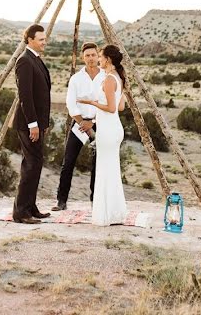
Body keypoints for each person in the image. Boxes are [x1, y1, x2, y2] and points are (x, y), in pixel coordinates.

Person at [78, 44, 128, 226]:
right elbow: (121, 107)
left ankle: (106, 214)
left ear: (108, 59)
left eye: (100, 56)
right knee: (111, 170)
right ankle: (114, 212)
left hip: (108, 130)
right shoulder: (118, 77)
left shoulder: (109, 79)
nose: (98, 59)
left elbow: (112, 107)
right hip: (114, 127)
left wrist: (92, 102)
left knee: (105, 170)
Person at [53, 42, 105, 211]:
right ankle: (61, 201)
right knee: (68, 161)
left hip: (99, 123)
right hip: (79, 124)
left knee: (98, 164)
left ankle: (94, 200)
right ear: (83, 58)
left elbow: (107, 103)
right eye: (87, 55)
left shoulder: (105, 77)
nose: (91, 58)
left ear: (98, 56)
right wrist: (83, 122)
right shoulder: (76, 78)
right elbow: (70, 103)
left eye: (93, 55)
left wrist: (93, 122)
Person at [11, 24, 52, 224]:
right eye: (41, 39)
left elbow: (42, 94)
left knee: (35, 164)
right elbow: (25, 96)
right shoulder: (25, 61)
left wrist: (43, 122)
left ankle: (30, 206)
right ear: (30, 40)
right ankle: (21, 212)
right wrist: (33, 124)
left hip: (36, 123)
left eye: (45, 39)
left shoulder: (35, 59)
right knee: (31, 165)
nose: (45, 42)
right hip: (27, 123)